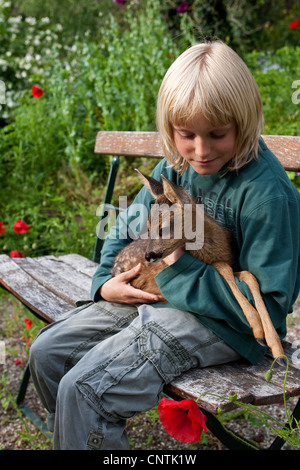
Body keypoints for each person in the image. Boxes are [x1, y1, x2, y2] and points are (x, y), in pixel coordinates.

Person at [29, 40, 300, 450]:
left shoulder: (266, 195)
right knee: (47, 351)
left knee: (85, 390)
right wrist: (105, 283)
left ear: (245, 123)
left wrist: (176, 269)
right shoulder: (174, 166)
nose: (201, 150)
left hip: (221, 325)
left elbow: (272, 303)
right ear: (170, 128)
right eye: (187, 134)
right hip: (156, 297)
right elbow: (125, 229)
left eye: (218, 134)